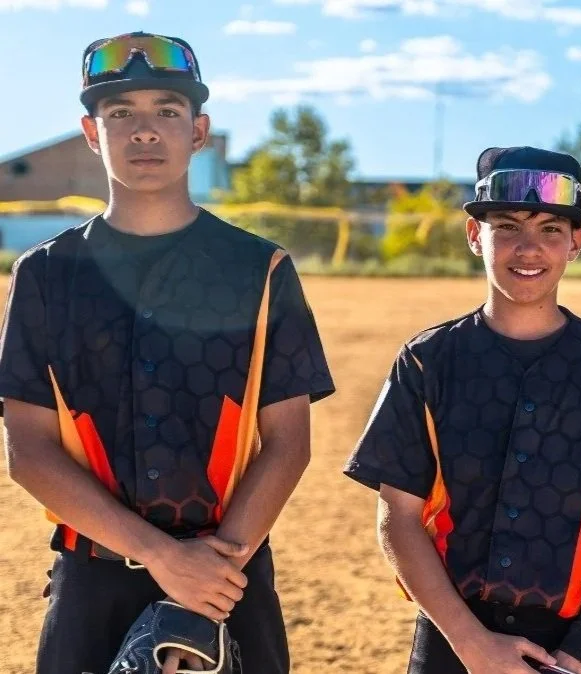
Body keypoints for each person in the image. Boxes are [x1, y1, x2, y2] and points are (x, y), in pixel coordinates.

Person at [0, 32, 335, 674]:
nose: (145, 131)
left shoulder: (260, 269)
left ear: (199, 130)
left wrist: (209, 575)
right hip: (94, 573)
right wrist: (160, 556)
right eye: (120, 113)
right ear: (91, 134)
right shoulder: (44, 275)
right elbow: (29, 452)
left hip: (229, 572)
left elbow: (289, 442)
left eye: (168, 111)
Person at [344, 146, 581, 674]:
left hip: (574, 642)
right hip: (453, 641)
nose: (528, 248)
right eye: (506, 226)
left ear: (577, 242)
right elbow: (399, 517)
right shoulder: (429, 360)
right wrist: (471, 642)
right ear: (473, 236)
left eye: (551, 229)